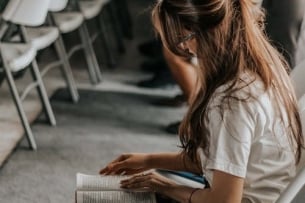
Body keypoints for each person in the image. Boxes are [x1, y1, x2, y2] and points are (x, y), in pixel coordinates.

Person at [100, 0, 304, 202]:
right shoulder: (264, 68)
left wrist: (165, 186)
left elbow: (224, 200)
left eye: (182, 38)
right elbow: (220, 159)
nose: (184, 48)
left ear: (205, 33)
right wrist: (149, 160)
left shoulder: (232, 101)